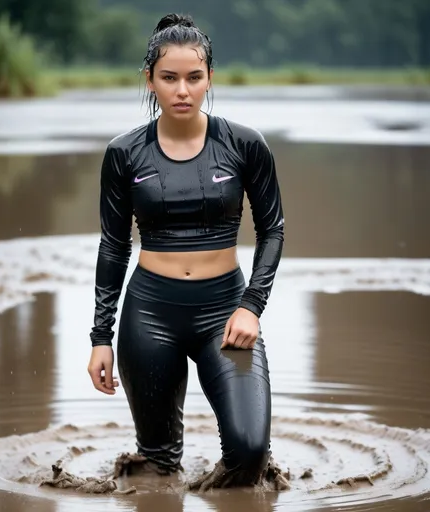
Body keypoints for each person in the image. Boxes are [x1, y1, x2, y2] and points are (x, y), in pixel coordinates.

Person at [87, 13, 285, 489]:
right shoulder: (124, 153)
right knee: (157, 468)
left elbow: (272, 229)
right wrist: (100, 336)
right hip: (150, 315)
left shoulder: (244, 145)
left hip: (226, 311)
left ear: (210, 78)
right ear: (149, 80)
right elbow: (113, 246)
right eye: (169, 78)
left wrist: (251, 307)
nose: (182, 90)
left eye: (194, 78)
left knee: (250, 452)